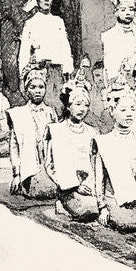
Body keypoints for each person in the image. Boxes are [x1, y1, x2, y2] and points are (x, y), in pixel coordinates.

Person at [92, 82, 136, 233]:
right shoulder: (104, 142)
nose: (129, 114)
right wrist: (102, 207)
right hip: (115, 198)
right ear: (112, 110)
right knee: (125, 224)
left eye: (132, 109)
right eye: (123, 110)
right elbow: (99, 179)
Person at [43, 79, 100, 222]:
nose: (82, 109)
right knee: (90, 209)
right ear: (68, 106)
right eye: (78, 104)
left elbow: (97, 162)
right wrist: (74, 186)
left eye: (86, 105)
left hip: (91, 184)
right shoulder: (56, 130)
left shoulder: (92, 132)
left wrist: (91, 184)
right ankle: (63, 204)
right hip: (68, 187)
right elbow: (50, 165)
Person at [17, 0, 73, 114]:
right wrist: (23, 73)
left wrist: (68, 68)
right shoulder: (30, 23)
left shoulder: (58, 21)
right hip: (40, 70)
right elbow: (24, 50)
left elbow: (64, 47)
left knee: (59, 106)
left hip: (57, 72)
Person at [7, 65, 58, 198]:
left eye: (41, 87)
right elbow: (14, 146)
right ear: (26, 89)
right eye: (33, 87)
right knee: (40, 192)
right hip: (29, 168)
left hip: (49, 166)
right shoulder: (19, 114)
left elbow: (57, 142)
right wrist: (16, 175)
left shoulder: (50, 112)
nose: (37, 91)